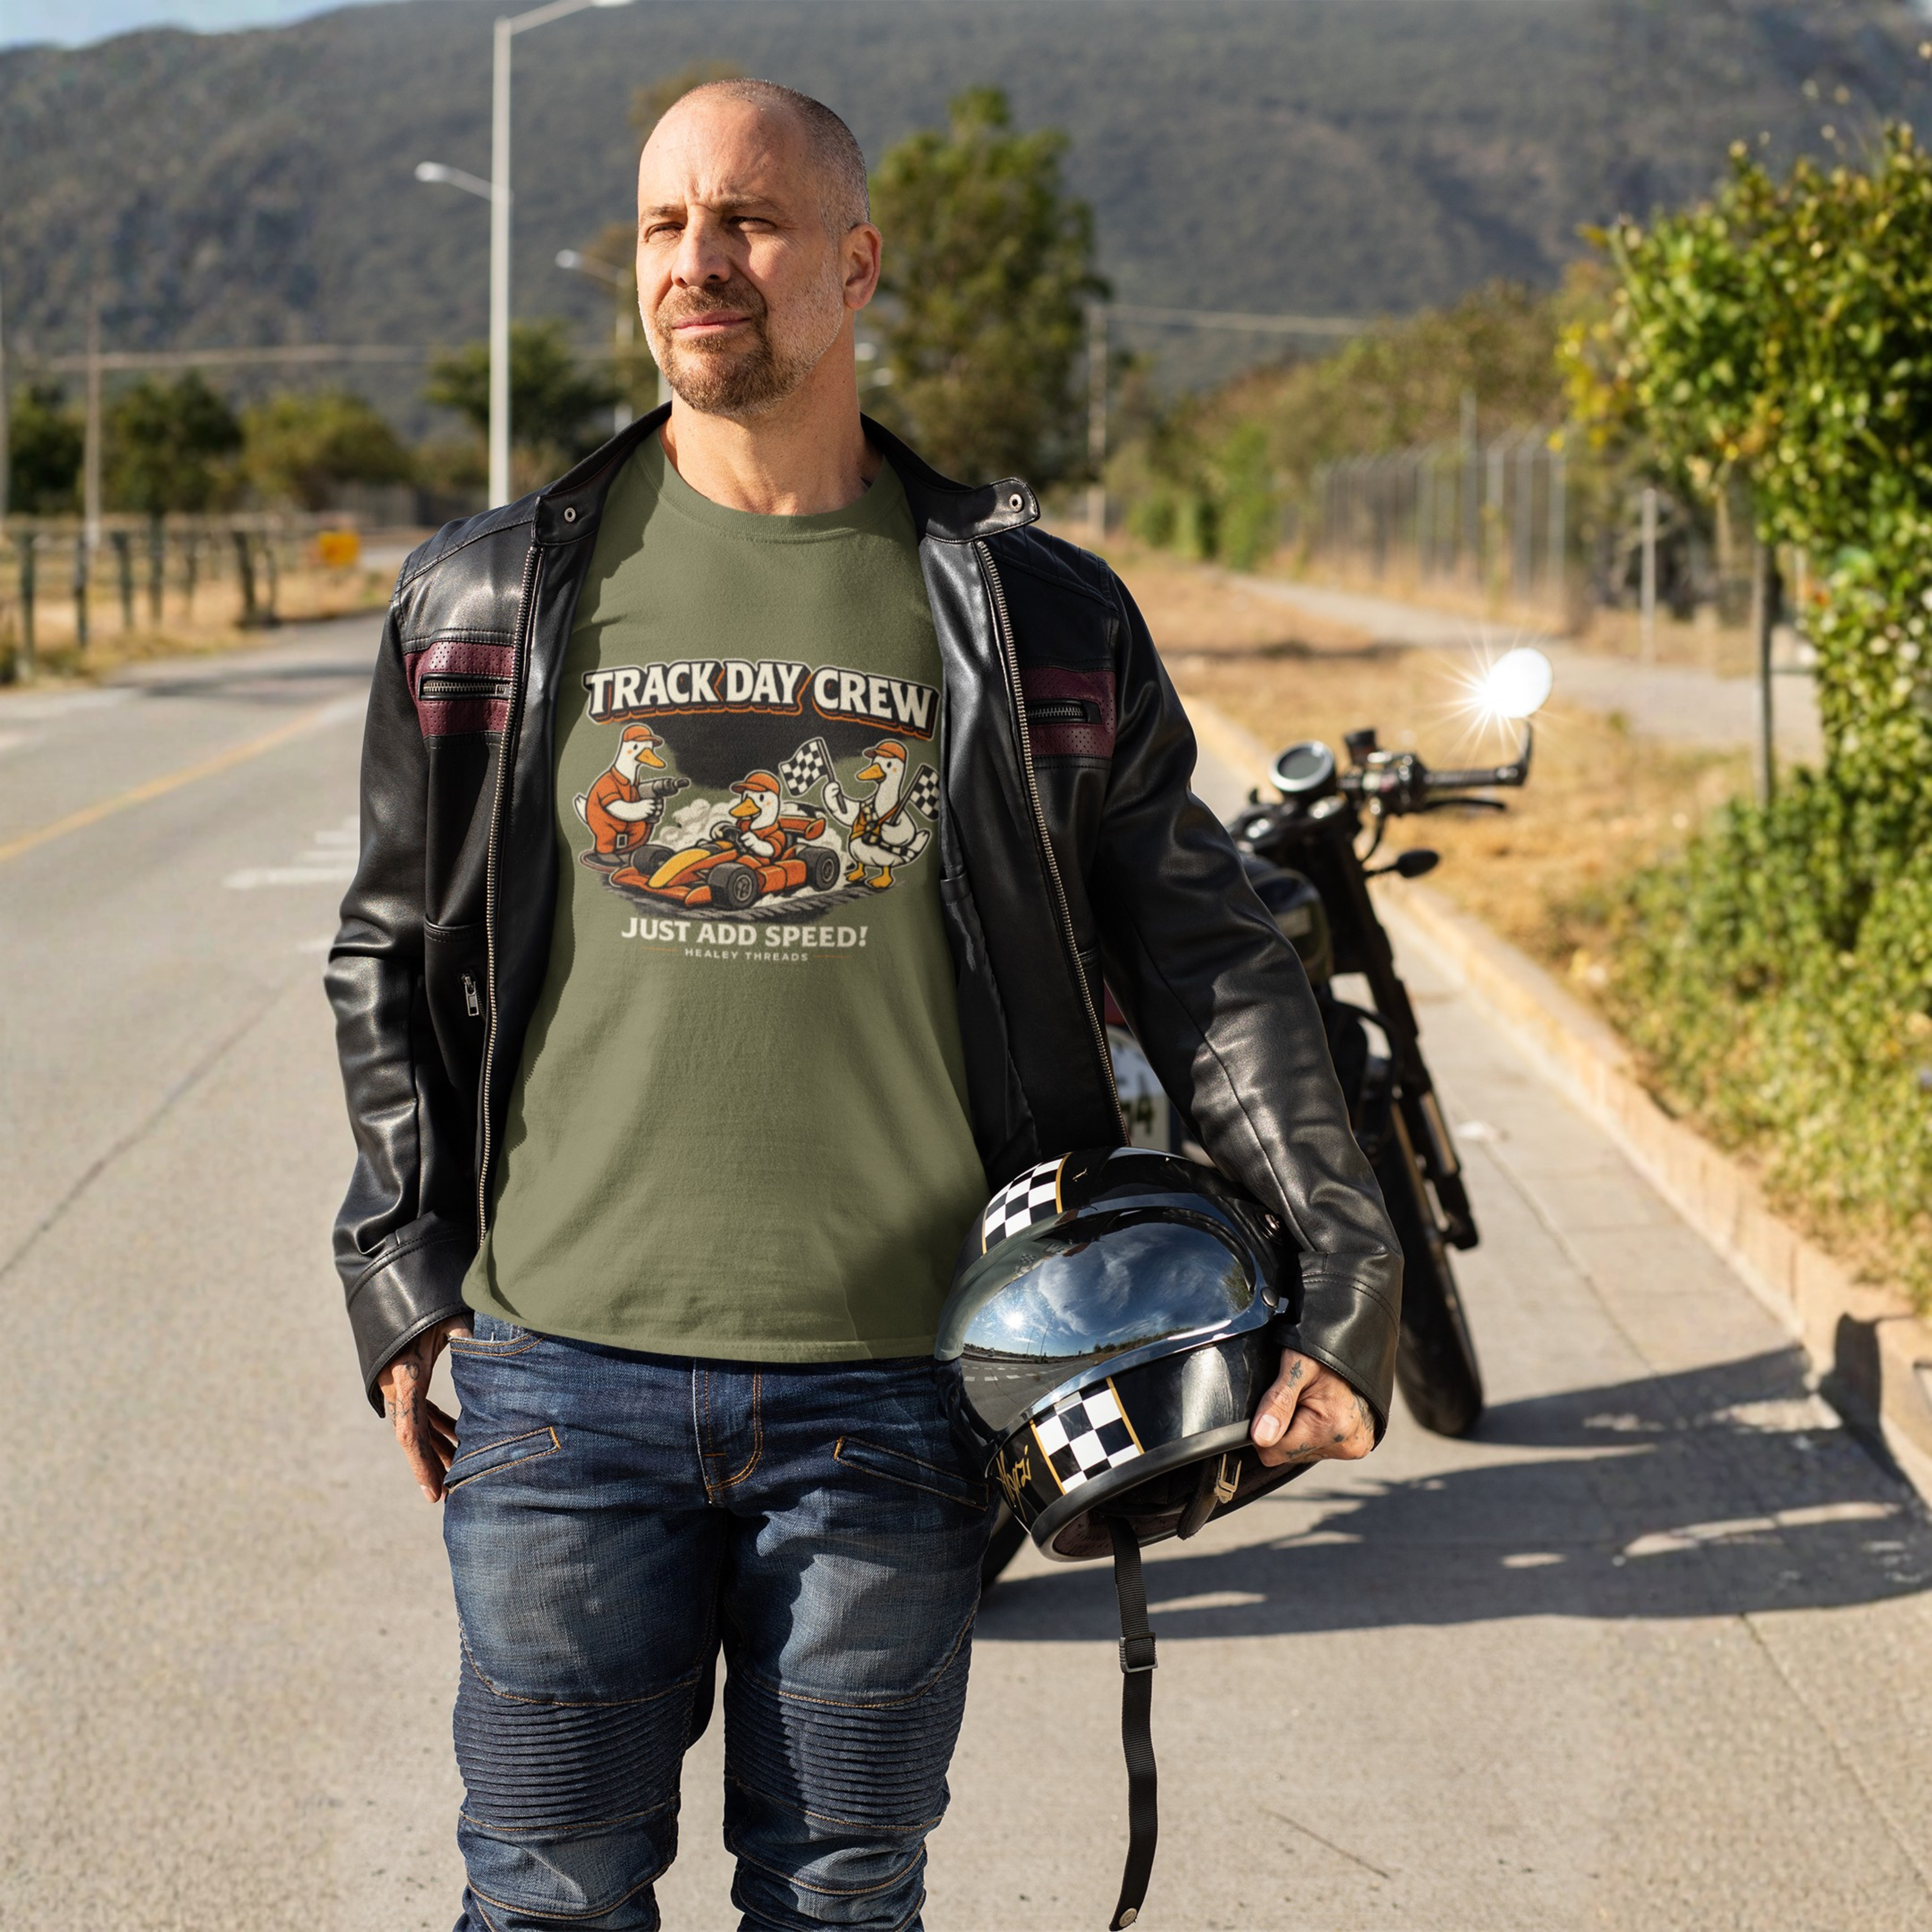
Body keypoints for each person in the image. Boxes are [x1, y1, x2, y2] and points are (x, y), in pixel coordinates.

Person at [327, 77, 1401, 1932]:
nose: (697, 262)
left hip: (903, 1392)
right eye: (664, 226)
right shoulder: (490, 598)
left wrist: (1347, 1280)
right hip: (559, 1381)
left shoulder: (1034, 613)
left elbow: (1214, 962)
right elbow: (390, 954)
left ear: (855, 262)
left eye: (744, 221)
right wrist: (405, 1284)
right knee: (548, 1894)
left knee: (842, 1894)